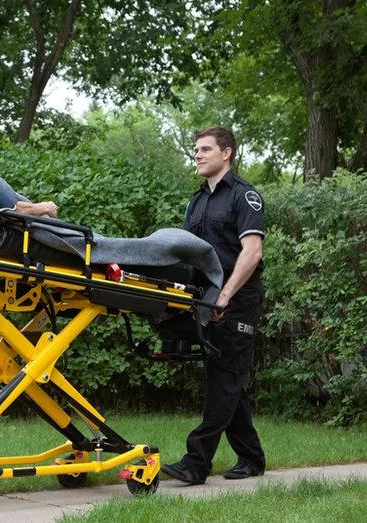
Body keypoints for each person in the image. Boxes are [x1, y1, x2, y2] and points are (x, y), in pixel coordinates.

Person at [161, 126, 266, 485]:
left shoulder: (244, 196)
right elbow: (190, 255)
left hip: (237, 301)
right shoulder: (197, 201)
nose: (198, 155)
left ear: (227, 153)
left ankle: (196, 462)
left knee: (224, 378)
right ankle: (251, 457)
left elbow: (252, 252)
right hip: (205, 301)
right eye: (196, 150)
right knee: (227, 378)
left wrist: (225, 295)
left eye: (206, 149)